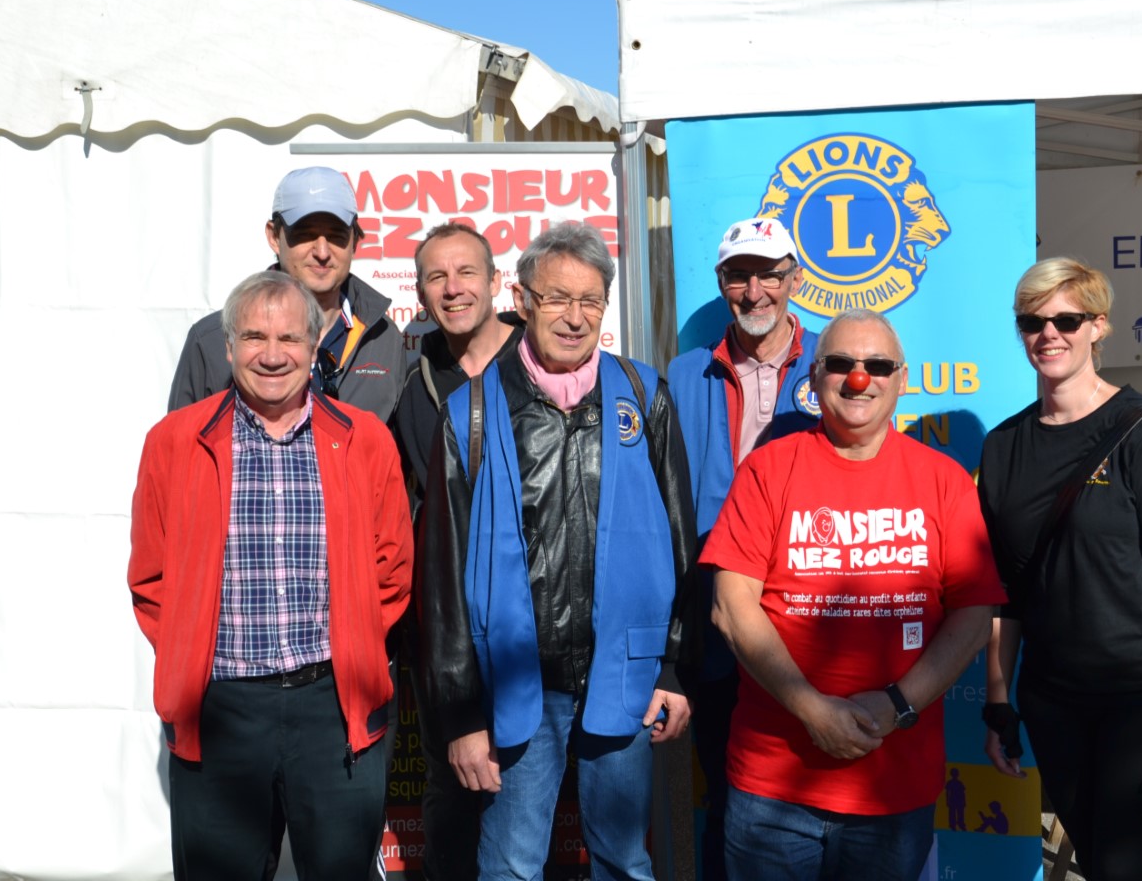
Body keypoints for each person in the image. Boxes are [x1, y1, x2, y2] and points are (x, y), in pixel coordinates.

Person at [417, 221, 698, 881]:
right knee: (511, 867)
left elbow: (680, 541)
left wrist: (673, 666)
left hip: (624, 677)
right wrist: (458, 715)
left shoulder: (646, 394)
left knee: (626, 861)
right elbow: (441, 578)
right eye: (558, 298)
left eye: (591, 301)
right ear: (522, 299)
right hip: (518, 686)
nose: (575, 318)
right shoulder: (472, 410)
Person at [129, 270, 413, 880]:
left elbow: (392, 571)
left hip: (335, 708)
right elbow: (151, 579)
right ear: (228, 347)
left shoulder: (364, 441)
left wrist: (356, 646)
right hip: (222, 708)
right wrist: (192, 658)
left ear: (316, 348)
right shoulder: (175, 442)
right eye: (254, 337)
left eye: (290, 337)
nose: (273, 354)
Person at [702, 309, 1004, 881]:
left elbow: (974, 611)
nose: (858, 378)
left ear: (902, 378)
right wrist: (812, 711)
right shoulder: (768, 470)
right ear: (814, 379)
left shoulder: (943, 481)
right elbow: (730, 605)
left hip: (893, 792)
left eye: (877, 365)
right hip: (773, 791)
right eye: (840, 364)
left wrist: (896, 707)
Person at [978, 257, 1142, 881]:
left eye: (1066, 318)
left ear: (1098, 327)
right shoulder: (1004, 447)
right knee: (1098, 863)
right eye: (1032, 321)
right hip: (1056, 703)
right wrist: (1000, 703)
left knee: (1126, 870)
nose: (1048, 334)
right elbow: (1005, 591)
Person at [666, 217, 821, 880]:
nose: (754, 290)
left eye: (768, 274)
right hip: (717, 627)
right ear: (721, 283)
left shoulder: (835, 362)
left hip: (815, 626)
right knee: (731, 803)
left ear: (796, 278)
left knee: (822, 805)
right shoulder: (680, 375)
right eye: (738, 274)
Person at [389, 222, 522, 880]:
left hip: (538, 623)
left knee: (536, 804)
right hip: (451, 635)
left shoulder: (542, 365)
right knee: (451, 797)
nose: (454, 288)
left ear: (496, 283)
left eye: (467, 272)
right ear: (420, 294)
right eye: (437, 277)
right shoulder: (416, 391)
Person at [168, 165, 406, 422]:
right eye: (306, 235)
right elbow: (180, 450)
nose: (322, 252)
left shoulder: (384, 338)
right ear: (274, 236)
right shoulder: (212, 339)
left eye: (336, 235)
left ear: (355, 241)